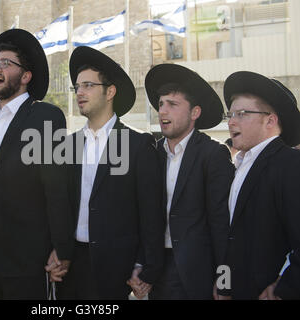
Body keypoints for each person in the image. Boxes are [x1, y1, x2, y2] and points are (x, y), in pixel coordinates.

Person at [0, 29, 73, 299]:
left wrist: (62, 248)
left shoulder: (46, 116)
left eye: (5, 63)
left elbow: (57, 188)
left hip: (27, 255)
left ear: (25, 76)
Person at [51, 46, 165, 300]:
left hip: (117, 269)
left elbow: (151, 214)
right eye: (77, 87)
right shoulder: (66, 146)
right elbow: (59, 207)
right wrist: (57, 250)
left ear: (110, 91)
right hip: (71, 266)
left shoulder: (138, 145)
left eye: (88, 85)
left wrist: (146, 266)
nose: (79, 92)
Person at [140, 64, 234, 299]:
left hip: (197, 274)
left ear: (195, 113)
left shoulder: (213, 155)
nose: (163, 111)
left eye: (172, 104)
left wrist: (225, 282)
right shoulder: (151, 154)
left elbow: (222, 225)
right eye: (160, 104)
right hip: (156, 271)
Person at [217, 71, 300, 300]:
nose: (231, 121)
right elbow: (231, 238)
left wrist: (284, 289)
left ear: (270, 120)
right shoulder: (239, 165)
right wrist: (224, 286)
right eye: (231, 114)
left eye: (242, 114)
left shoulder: (290, 165)